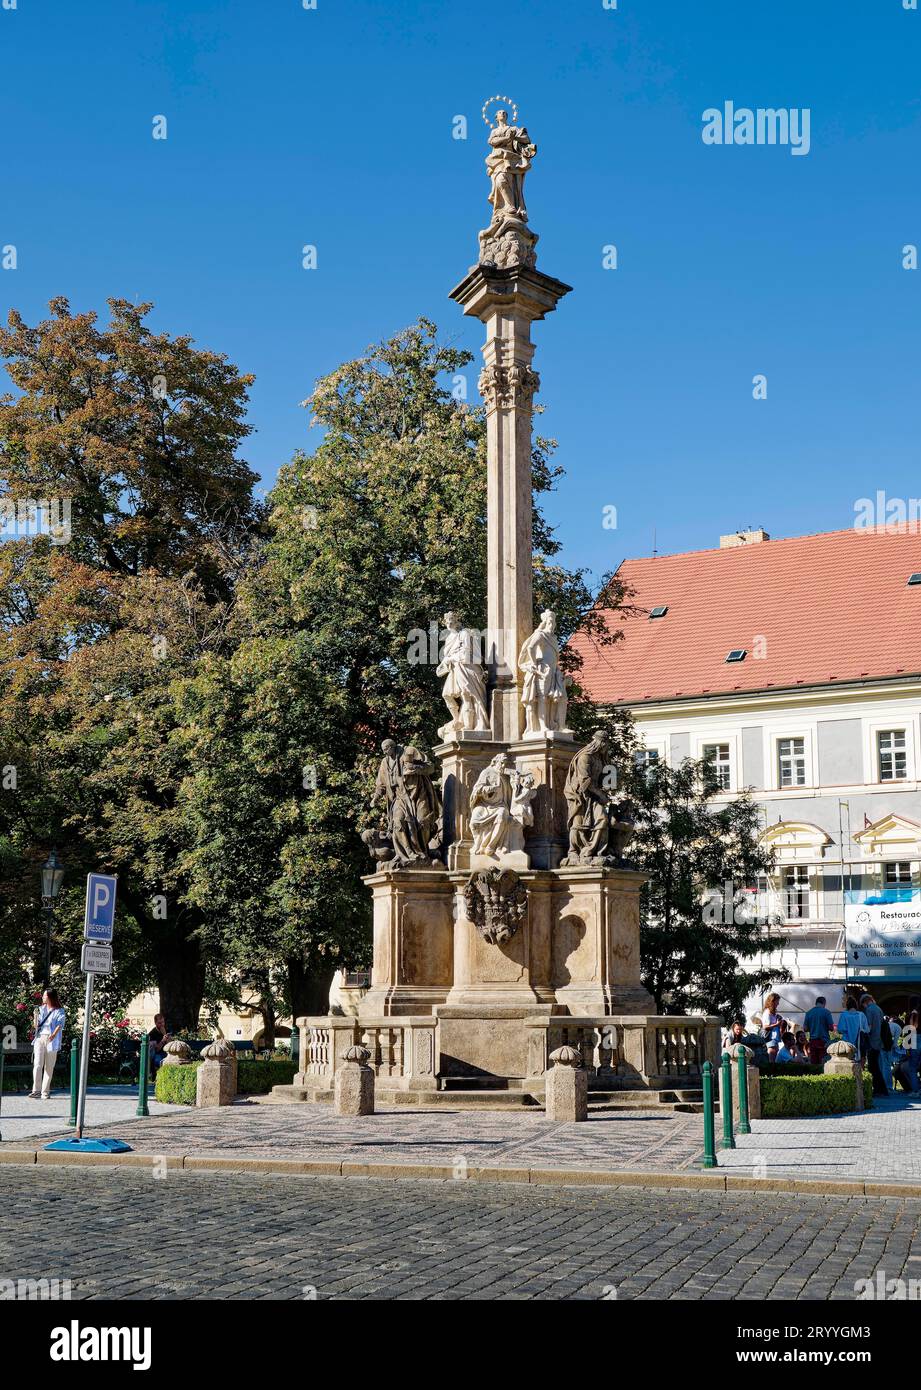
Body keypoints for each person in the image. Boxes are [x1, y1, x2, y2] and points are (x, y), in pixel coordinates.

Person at [28, 988, 66, 1100]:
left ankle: (45, 1092)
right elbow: (36, 1026)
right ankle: (36, 1090)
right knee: (37, 1065)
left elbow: (60, 1024)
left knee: (49, 1067)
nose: (43, 997)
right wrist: (35, 1016)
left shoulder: (59, 1010)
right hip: (40, 1038)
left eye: (44, 996)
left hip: (51, 1039)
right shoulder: (41, 1009)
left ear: (50, 997)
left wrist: (53, 1035)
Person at [860, 992, 889, 1098]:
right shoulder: (878, 1009)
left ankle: (879, 1090)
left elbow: (869, 1027)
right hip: (879, 1041)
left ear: (865, 1002)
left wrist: (862, 1030)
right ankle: (882, 1089)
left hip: (872, 1041)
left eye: (862, 1004)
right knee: (876, 1066)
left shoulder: (869, 1010)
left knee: (873, 1067)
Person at [803, 995, 835, 1068]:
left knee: (814, 1062)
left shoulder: (809, 1013)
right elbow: (831, 1028)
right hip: (824, 1041)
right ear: (824, 1003)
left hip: (813, 1041)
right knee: (823, 1063)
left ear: (816, 1003)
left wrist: (813, 1027)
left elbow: (805, 1029)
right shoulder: (827, 1012)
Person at [761, 993, 784, 1061]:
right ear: (772, 1001)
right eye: (777, 1001)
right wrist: (777, 1024)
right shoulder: (767, 1012)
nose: (778, 1003)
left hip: (774, 1038)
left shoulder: (772, 1013)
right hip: (770, 1038)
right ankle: (770, 1071)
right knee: (771, 1058)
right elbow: (765, 1026)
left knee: (774, 1056)